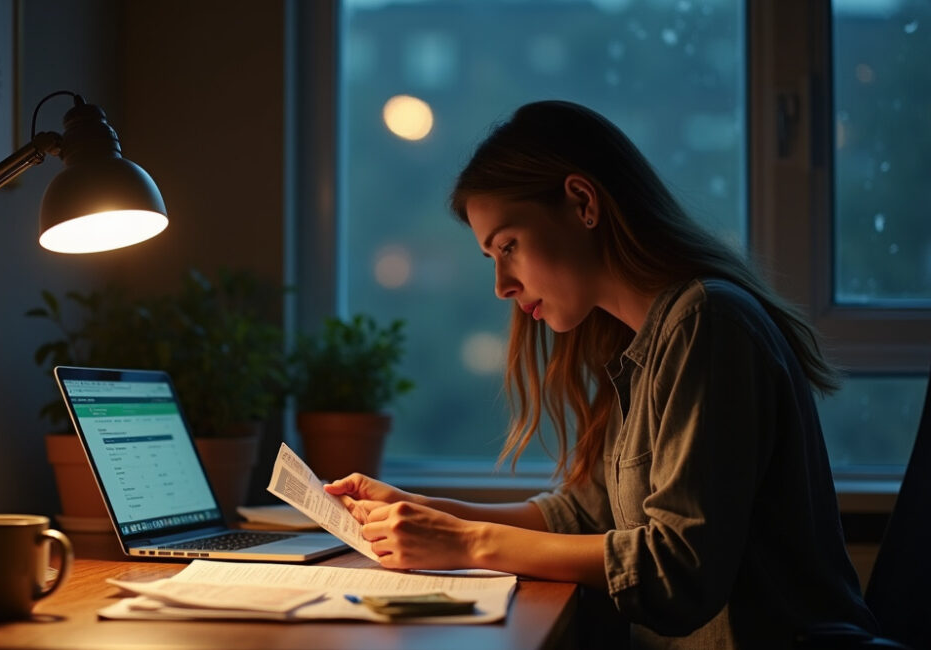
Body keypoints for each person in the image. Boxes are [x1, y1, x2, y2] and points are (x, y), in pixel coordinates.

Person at [324, 100, 877, 647]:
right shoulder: (641, 344)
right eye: (492, 258)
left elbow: (678, 569)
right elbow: (586, 514)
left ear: (582, 202)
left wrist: (469, 543)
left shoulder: (709, 323)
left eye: (509, 246)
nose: (502, 286)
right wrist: (422, 511)